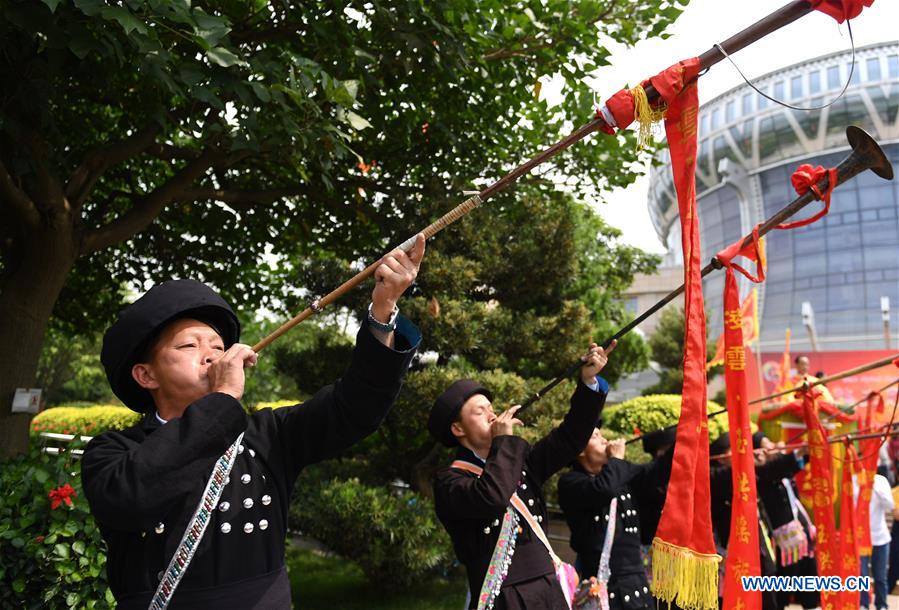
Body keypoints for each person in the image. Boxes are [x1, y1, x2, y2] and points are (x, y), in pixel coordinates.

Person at [81, 235, 426, 609]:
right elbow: (131, 499)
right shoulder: (112, 452)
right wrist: (224, 399)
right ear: (146, 375)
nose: (211, 356)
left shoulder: (268, 434)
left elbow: (354, 408)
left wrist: (383, 311)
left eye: (217, 346)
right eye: (189, 346)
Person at [429, 341, 615, 610]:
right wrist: (504, 442)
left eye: (491, 408)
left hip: (548, 590)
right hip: (503, 598)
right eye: (480, 412)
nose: (492, 415)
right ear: (458, 429)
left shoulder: (519, 458)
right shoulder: (449, 481)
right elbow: (491, 497)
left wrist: (588, 382)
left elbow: (570, 439)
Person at [558, 427, 667, 609]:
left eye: (602, 434)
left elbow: (655, 472)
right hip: (603, 589)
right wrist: (616, 459)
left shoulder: (619, 474)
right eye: (595, 436)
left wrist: (686, 433)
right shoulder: (571, 482)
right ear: (581, 451)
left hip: (636, 587)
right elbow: (603, 489)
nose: (604, 440)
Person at [858, 471, 895, 610]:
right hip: (860, 537)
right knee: (862, 576)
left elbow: (890, 505)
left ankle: (881, 604)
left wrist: (874, 487)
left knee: (880, 576)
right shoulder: (853, 479)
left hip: (880, 537)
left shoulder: (881, 480)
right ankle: (863, 603)